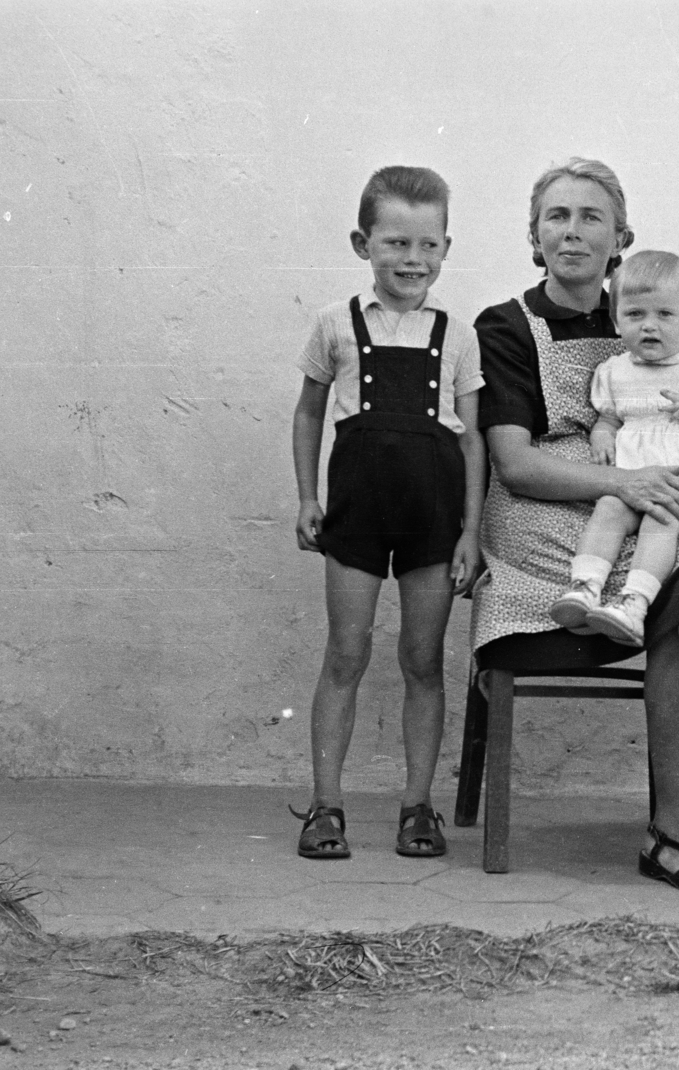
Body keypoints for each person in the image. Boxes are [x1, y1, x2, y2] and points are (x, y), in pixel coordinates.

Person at [470, 159, 679, 894]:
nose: (573, 232)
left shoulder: (646, 306)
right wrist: (626, 481)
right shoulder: (505, 325)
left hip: (645, 500)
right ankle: (677, 828)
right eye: (557, 217)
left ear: (620, 238)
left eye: (591, 217)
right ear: (535, 238)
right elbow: (515, 465)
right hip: (547, 519)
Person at [289, 165, 487, 861]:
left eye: (428, 245)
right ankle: (325, 805)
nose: (413, 260)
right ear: (361, 243)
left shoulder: (457, 336)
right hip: (357, 517)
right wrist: (309, 496)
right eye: (396, 243)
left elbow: (472, 442)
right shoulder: (333, 325)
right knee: (345, 653)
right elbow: (310, 411)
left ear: (445, 247)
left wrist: (470, 530)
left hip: (433, 522)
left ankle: (417, 807)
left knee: (422, 660)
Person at [550, 251, 679, 666]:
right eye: (634, 314)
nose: (650, 325)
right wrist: (602, 433)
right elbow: (609, 416)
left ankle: (634, 603)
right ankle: (584, 587)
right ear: (616, 321)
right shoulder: (614, 372)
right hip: (642, 476)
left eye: (665, 314)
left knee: (663, 515)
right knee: (611, 504)